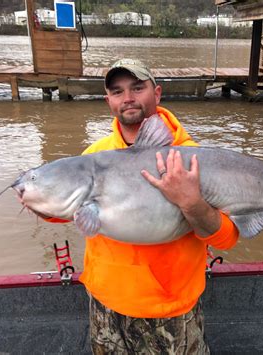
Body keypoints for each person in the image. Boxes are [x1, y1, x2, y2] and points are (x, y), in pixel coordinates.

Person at [50, 58, 239, 354]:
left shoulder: (193, 161)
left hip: (169, 308)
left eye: (137, 88)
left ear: (157, 93)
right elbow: (67, 210)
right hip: (104, 301)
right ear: (108, 100)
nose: (127, 98)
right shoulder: (94, 155)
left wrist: (193, 204)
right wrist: (38, 203)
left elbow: (227, 238)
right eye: (117, 91)